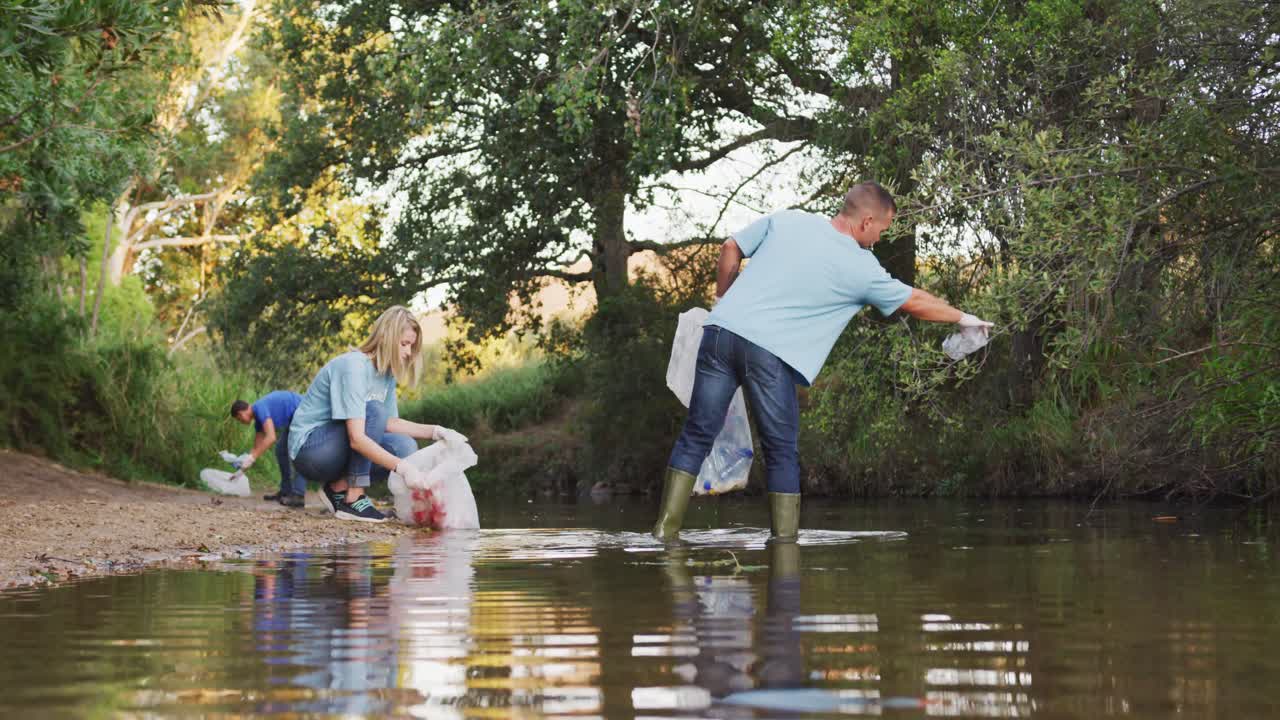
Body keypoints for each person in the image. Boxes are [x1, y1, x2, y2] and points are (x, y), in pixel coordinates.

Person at [653, 182, 994, 541]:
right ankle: (784, 545)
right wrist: (962, 318)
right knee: (781, 449)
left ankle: (663, 533)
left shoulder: (789, 220)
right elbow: (915, 301)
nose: (880, 237)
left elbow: (730, 247)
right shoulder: (861, 267)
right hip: (766, 353)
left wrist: (722, 298)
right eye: (883, 228)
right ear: (866, 221)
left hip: (719, 333)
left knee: (696, 434)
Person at [288, 305, 465, 523]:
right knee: (373, 410)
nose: (408, 352)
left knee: (404, 446)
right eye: (404, 344)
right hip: (311, 451)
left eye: (411, 346)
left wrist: (437, 432)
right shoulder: (353, 366)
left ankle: (337, 489)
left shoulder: (385, 374)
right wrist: (405, 468)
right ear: (387, 338)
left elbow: (389, 422)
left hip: (336, 449)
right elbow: (357, 438)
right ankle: (353, 500)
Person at [231, 391, 307, 507]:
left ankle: (298, 496)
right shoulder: (258, 420)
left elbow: (271, 437)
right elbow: (256, 448)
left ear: (241, 414)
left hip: (304, 411)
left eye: (239, 419)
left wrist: (252, 458)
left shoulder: (259, 408)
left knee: (298, 451)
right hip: (294, 418)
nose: (241, 422)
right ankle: (285, 491)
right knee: (281, 450)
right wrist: (241, 470)